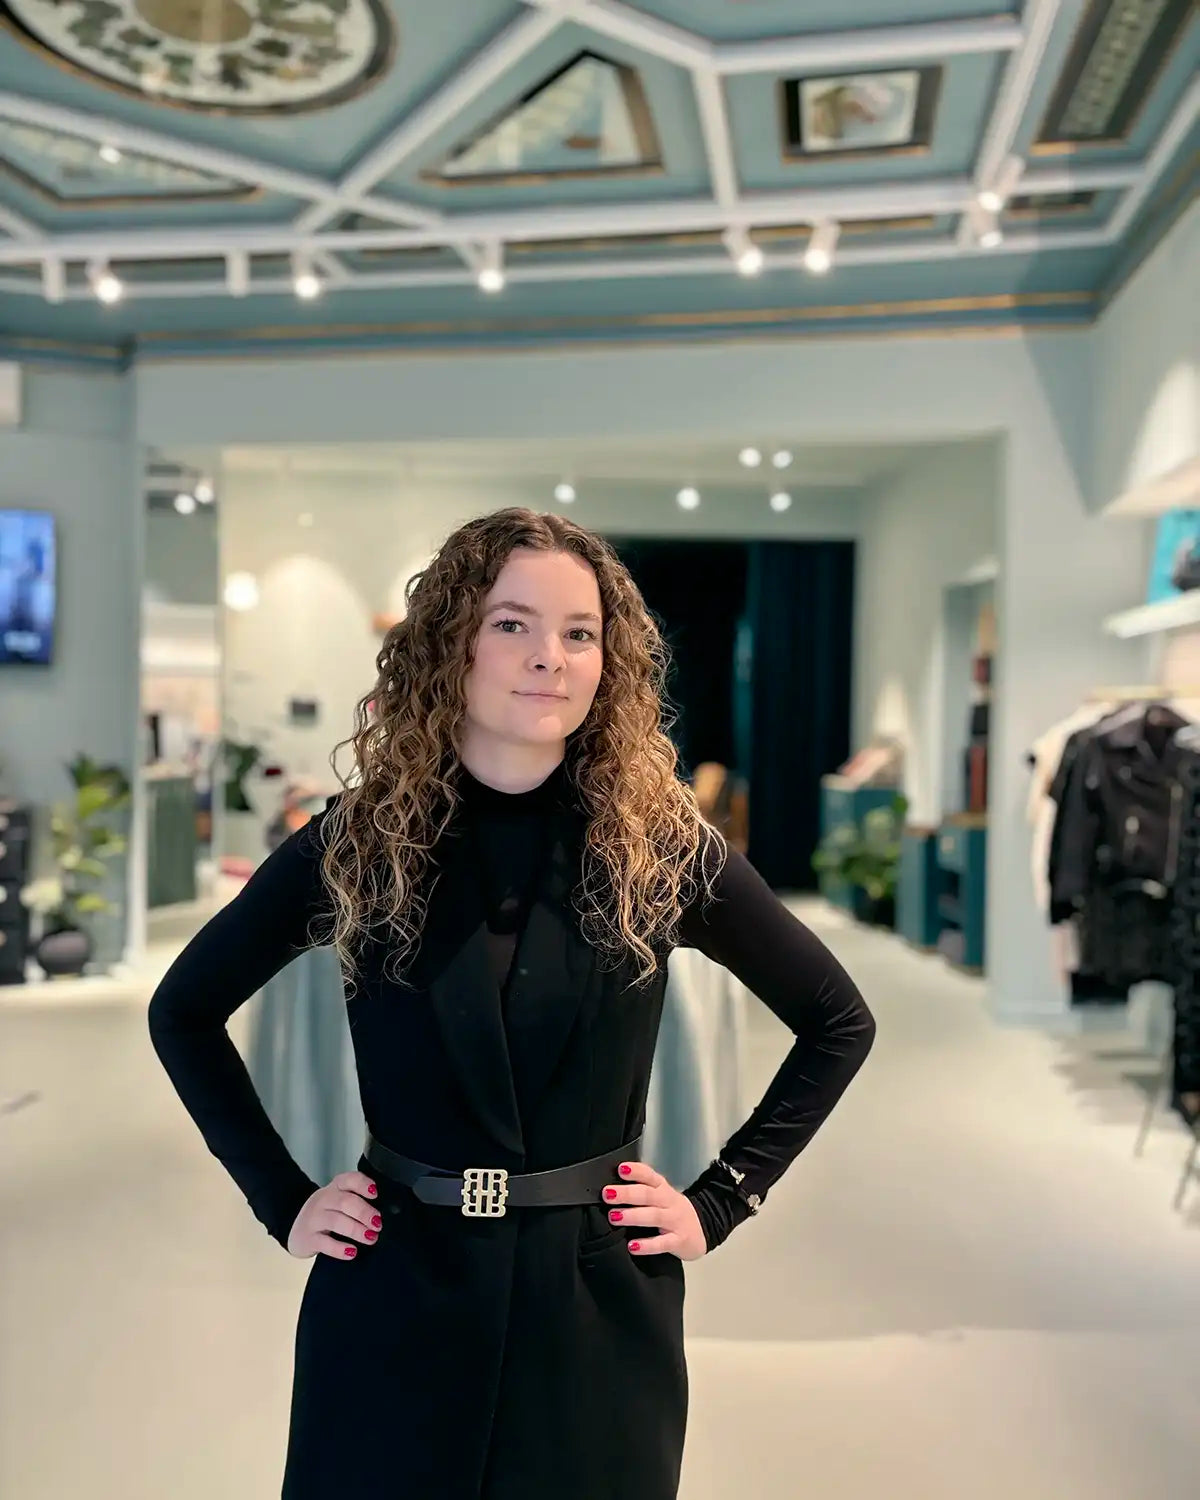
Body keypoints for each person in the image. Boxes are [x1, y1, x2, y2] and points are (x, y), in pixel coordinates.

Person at [147, 507, 876, 1500]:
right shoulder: (361, 842)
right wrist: (282, 1197)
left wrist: (723, 1200)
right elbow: (184, 1012)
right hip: (396, 1289)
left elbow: (838, 1021)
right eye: (512, 624)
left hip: (593, 1305)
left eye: (580, 633)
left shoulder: (658, 848)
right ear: (453, 644)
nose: (550, 657)